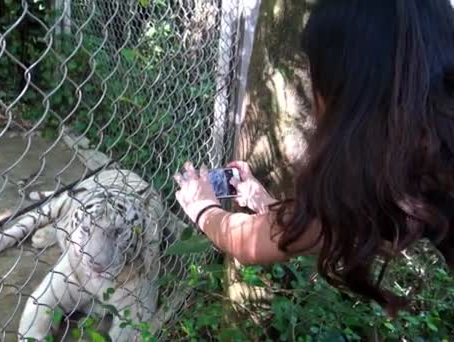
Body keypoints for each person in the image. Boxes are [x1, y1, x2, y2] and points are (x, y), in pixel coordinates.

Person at [174, 0, 454, 317]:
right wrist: (268, 205)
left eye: (315, 74)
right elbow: (314, 224)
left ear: (348, 91)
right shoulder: (419, 148)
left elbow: (250, 244)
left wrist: (202, 208)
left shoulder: (374, 170)